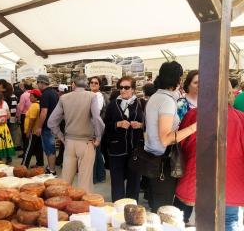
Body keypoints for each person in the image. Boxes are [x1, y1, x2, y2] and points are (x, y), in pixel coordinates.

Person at [174, 82, 244, 231]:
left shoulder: (194, 115)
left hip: (200, 179)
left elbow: (181, 145)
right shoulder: (241, 118)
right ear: (230, 93)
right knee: (230, 220)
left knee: (203, 220)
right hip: (231, 182)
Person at [144, 61, 197, 213]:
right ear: (179, 80)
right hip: (163, 162)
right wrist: (194, 127)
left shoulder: (156, 97)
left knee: (157, 208)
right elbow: (166, 138)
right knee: (163, 210)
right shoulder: (166, 101)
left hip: (154, 158)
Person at [48, 74, 105, 192]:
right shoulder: (91, 96)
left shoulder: (64, 98)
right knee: (85, 183)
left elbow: (51, 122)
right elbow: (97, 119)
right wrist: (98, 138)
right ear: (86, 85)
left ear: (73, 84)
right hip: (86, 142)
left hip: (69, 142)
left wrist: (62, 137)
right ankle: (84, 209)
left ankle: (63, 208)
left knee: (65, 182)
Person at [104, 76, 144, 202]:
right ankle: (118, 210)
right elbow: (105, 126)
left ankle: (132, 208)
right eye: (120, 87)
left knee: (134, 182)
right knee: (117, 183)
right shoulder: (112, 105)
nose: (123, 90)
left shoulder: (141, 104)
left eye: (126, 87)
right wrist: (117, 124)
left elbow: (149, 124)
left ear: (133, 89)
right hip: (116, 149)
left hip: (135, 149)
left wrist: (141, 125)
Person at [36, 75, 59, 175]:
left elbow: (44, 112)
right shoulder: (54, 93)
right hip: (54, 125)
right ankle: (50, 167)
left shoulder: (45, 94)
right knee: (51, 148)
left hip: (47, 126)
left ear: (42, 83)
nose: (37, 85)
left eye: (38, 83)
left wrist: (39, 126)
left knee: (49, 149)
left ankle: (52, 171)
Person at [89, 76, 107, 184]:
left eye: (96, 83)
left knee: (93, 150)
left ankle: (95, 177)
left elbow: (96, 113)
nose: (93, 84)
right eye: (91, 82)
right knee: (97, 151)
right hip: (94, 126)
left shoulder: (98, 96)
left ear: (99, 85)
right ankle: (101, 175)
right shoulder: (91, 94)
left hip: (96, 126)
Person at [22, 89, 44, 168]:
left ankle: (24, 165)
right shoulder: (38, 105)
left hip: (32, 131)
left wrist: (28, 131)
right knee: (38, 148)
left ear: (36, 97)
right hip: (36, 131)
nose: (29, 97)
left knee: (28, 148)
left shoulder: (34, 106)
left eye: (31, 96)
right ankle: (40, 163)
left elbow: (32, 120)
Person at [16, 82, 32, 158]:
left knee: (25, 134)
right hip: (33, 114)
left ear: (24, 88)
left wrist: (18, 117)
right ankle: (32, 151)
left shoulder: (24, 95)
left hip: (25, 115)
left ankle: (25, 151)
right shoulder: (33, 94)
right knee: (31, 133)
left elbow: (20, 107)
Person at [55, 84, 69, 166]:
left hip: (64, 123)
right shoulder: (69, 98)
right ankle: (60, 159)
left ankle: (61, 160)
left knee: (64, 143)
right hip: (68, 123)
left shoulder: (61, 99)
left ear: (60, 92)